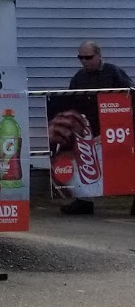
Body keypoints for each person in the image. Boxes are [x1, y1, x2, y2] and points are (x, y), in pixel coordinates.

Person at [56, 42, 135, 215]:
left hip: (115, 126)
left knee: (126, 163)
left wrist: (122, 124)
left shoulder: (113, 73)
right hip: (90, 127)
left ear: (99, 55)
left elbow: (130, 96)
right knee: (83, 163)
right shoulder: (78, 78)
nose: (84, 61)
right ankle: (84, 201)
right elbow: (71, 101)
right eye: (80, 58)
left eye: (88, 57)